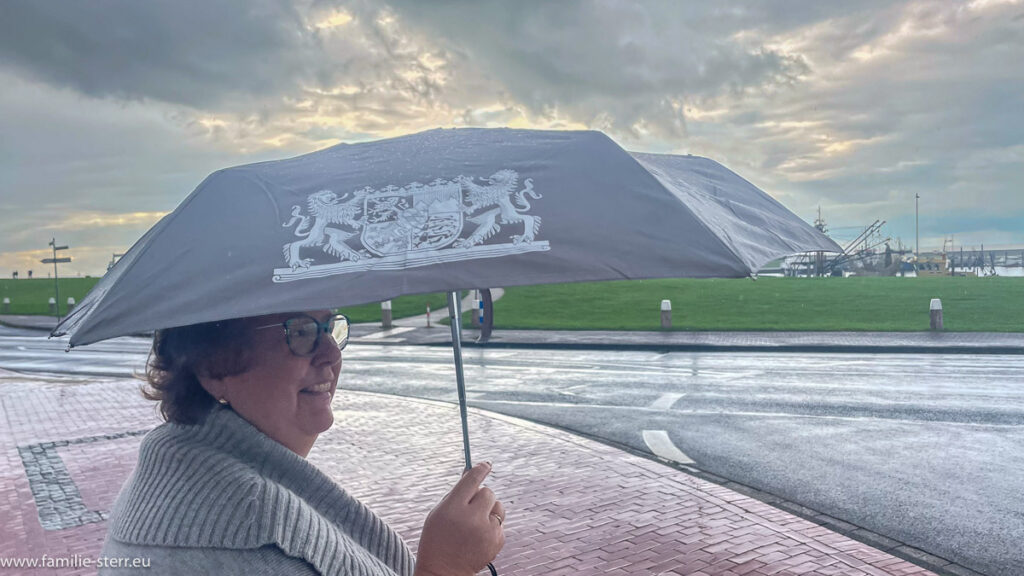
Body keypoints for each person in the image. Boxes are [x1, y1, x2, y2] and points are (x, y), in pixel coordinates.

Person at [100, 310, 505, 575]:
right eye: (301, 332)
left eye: (331, 327)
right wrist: (445, 567)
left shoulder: (184, 469)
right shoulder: (249, 538)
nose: (331, 353)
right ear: (214, 364)